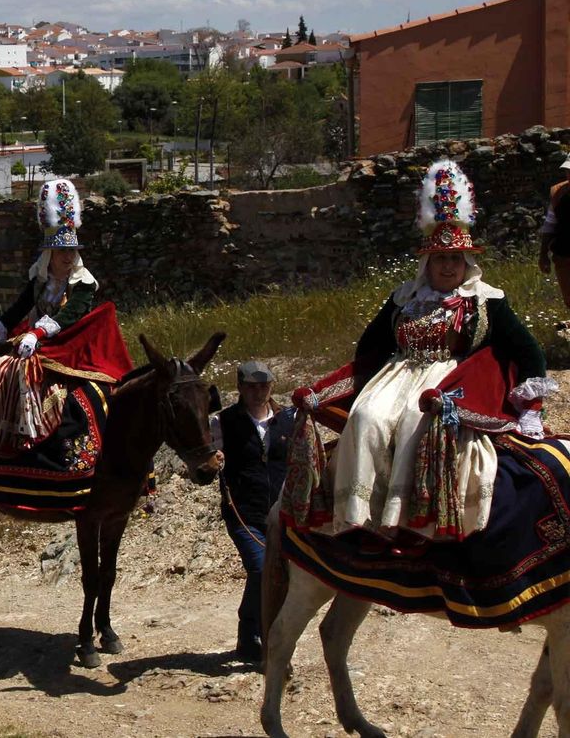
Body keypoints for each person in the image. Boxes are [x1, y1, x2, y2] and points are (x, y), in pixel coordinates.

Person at [290, 160, 550, 544]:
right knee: (366, 417)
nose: (448, 267)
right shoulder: (404, 298)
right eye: (441, 259)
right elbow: (371, 347)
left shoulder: (485, 301)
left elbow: (526, 349)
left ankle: (410, 519)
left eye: (455, 259)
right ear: (427, 262)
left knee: (416, 425)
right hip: (395, 375)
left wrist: (532, 405)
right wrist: (332, 389)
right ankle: (359, 511)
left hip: (445, 380)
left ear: (466, 262)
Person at [0, 178, 102, 465]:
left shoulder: (83, 283)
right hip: (40, 341)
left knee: (27, 372)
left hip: (72, 343)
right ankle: (2, 437)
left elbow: (71, 314)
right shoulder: (40, 280)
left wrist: (36, 333)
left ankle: (45, 436)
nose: (68, 257)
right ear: (49, 253)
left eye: (72, 251)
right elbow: (15, 311)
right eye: (62, 251)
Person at [209, 360, 294, 664]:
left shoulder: (288, 419)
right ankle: (268, 644)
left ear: (273, 385)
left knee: (275, 576)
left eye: (264, 385)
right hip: (242, 512)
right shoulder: (222, 422)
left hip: (281, 513)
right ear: (240, 388)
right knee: (260, 569)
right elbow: (208, 461)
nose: (259, 392)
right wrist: (215, 459)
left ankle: (248, 636)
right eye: (252, 387)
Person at [538, 157, 570, 331]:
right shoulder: (559, 193)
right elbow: (550, 224)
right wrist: (543, 254)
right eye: (568, 171)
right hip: (564, 255)